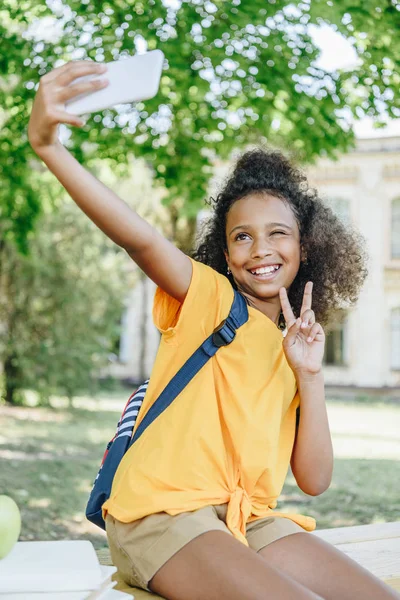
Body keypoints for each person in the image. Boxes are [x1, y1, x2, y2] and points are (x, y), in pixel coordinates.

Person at [28, 60, 399, 600]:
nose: (261, 249)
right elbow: (143, 241)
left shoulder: (291, 344)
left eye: (278, 234)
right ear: (224, 254)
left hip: (242, 518)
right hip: (160, 515)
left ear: (305, 247)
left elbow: (315, 481)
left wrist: (309, 375)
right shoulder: (210, 299)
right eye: (242, 237)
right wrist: (51, 149)